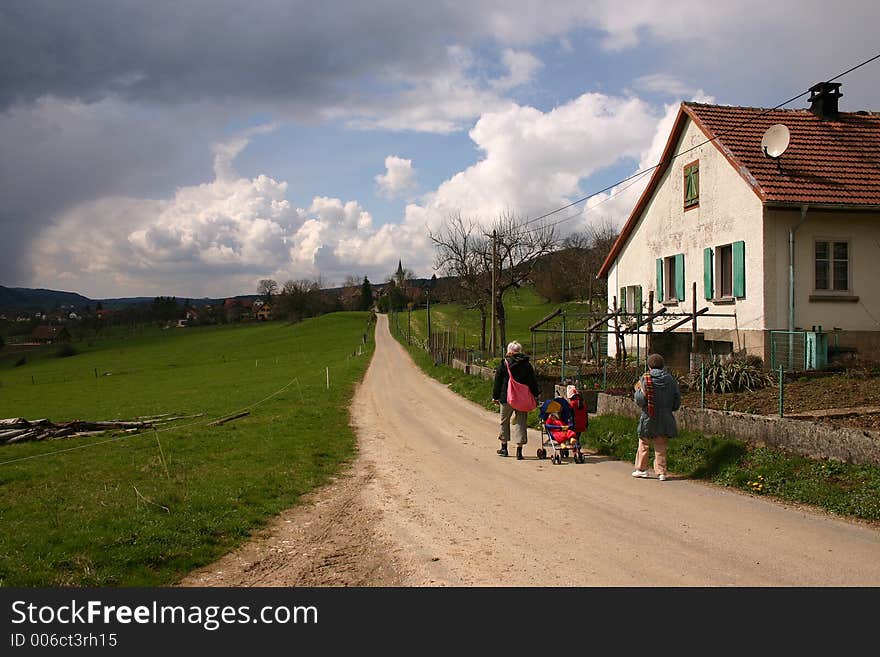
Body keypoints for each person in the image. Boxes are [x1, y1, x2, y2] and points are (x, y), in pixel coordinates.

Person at [632, 353, 681, 481]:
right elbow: (677, 399)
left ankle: (641, 469)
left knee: (644, 443)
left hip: (649, 415)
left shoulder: (645, 378)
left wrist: (637, 392)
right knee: (661, 444)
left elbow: (640, 399)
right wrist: (671, 408)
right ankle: (661, 472)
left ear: (649, 366)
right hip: (665, 416)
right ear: (662, 366)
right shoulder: (670, 379)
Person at [492, 341, 541, 460]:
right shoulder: (526, 364)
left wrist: (495, 396)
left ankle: (504, 448)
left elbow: (498, 381)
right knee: (521, 422)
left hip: (506, 397)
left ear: (509, 351)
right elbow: (532, 381)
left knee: (504, 421)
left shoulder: (504, 364)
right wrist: (536, 394)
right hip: (522, 399)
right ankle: (519, 450)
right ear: (520, 351)